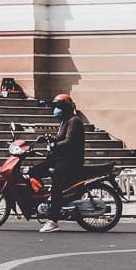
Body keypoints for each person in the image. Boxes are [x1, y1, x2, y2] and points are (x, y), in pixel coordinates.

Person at [37, 93, 88, 233]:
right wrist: (49, 139)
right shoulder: (65, 122)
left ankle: (53, 220)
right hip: (61, 159)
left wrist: (54, 145)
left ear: (66, 108)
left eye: (58, 107)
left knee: (56, 184)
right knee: (34, 171)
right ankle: (43, 200)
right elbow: (61, 138)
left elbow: (69, 141)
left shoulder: (74, 121)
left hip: (71, 162)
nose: (56, 110)